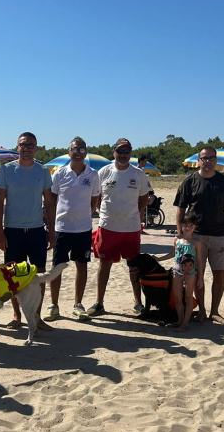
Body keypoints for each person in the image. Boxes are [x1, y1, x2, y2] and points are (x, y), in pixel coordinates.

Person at [0, 131, 55, 330]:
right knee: (13, 276)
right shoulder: (6, 170)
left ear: (36, 148)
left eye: (30, 145)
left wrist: (52, 231)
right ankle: (17, 315)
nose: (27, 148)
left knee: (38, 276)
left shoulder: (43, 171)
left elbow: (49, 203)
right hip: (13, 230)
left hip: (37, 230)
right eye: (23, 145)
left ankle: (36, 316)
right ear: (17, 147)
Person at [173, 146, 224, 323]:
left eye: (211, 158)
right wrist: (180, 232)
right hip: (196, 236)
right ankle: (201, 310)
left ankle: (214, 311)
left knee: (219, 273)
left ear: (216, 160)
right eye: (204, 158)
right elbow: (180, 208)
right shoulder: (189, 181)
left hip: (218, 235)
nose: (207, 161)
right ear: (198, 161)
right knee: (196, 274)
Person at [87, 137, 149, 317]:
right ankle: (99, 303)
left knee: (134, 266)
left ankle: (138, 303)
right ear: (113, 152)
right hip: (107, 227)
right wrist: (102, 212)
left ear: (131, 154)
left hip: (131, 228)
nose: (123, 155)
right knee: (104, 265)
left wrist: (135, 213)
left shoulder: (138, 174)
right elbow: (96, 197)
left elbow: (144, 198)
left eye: (126, 152)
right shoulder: (103, 172)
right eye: (120, 151)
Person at [45, 136, 101, 322]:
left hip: (83, 229)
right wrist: (51, 226)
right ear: (69, 152)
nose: (78, 153)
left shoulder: (93, 174)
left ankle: (78, 304)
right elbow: (51, 200)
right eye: (75, 149)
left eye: (82, 150)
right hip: (62, 228)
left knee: (82, 266)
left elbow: (95, 200)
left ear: (86, 152)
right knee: (57, 268)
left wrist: (85, 214)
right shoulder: (59, 173)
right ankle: (54, 305)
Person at [169, 213, 203, 330]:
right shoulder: (177, 240)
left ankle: (185, 323)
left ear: (194, 227)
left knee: (188, 297)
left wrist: (201, 278)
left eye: (191, 225)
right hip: (177, 271)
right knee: (177, 297)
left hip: (191, 273)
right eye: (185, 225)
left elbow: (199, 261)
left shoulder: (196, 243)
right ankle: (180, 320)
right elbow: (172, 254)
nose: (187, 227)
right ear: (181, 226)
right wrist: (158, 258)